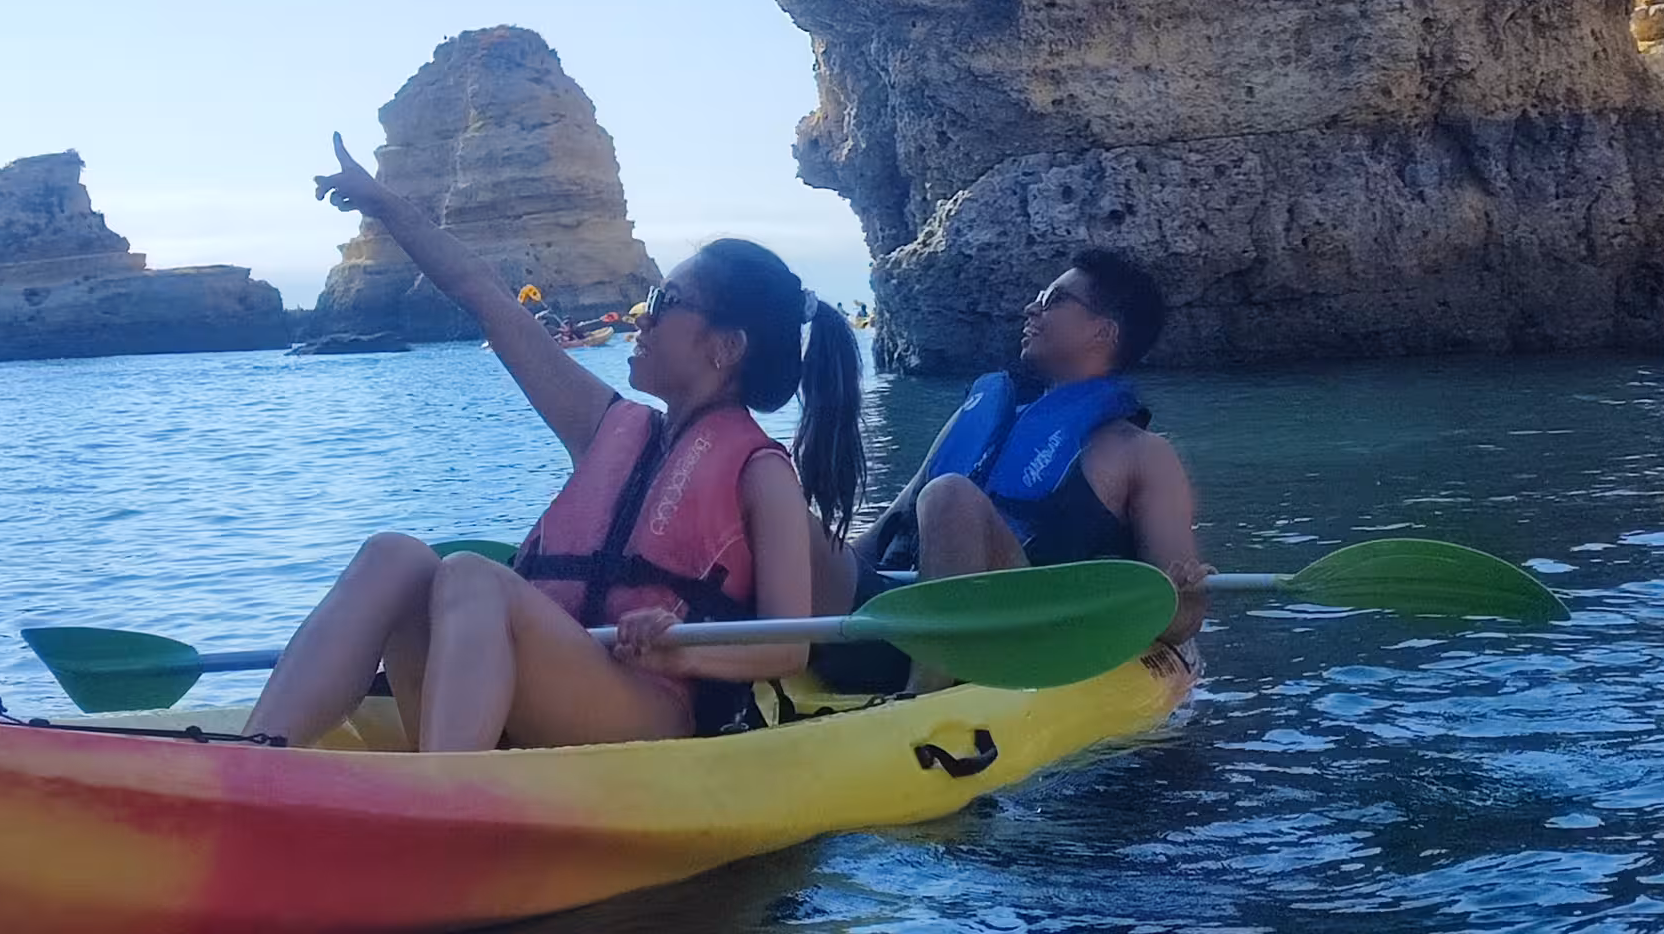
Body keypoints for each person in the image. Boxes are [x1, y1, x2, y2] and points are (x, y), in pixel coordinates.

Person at [243, 134, 865, 752]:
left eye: (664, 301)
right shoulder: (608, 427)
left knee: (471, 575)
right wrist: (384, 205)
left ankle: (446, 796)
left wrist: (683, 651)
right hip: (536, 692)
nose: (640, 316)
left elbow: (789, 645)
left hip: (648, 711)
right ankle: (256, 756)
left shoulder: (761, 472)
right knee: (394, 555)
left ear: (725, 347)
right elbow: (483, 296)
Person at [809, 249, 1207, 693]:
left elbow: (1183, 617)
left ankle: (926, 695)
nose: (1032, 308)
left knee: (949, 496)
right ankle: (749, 657)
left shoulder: (1143, 454)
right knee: (791, 520)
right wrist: (813, 559)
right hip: (897, 619)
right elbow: (883, 534)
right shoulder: (978, 420)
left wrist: (1181, 593)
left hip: (1009, 639)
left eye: (1055, 299)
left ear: (1103, 331)